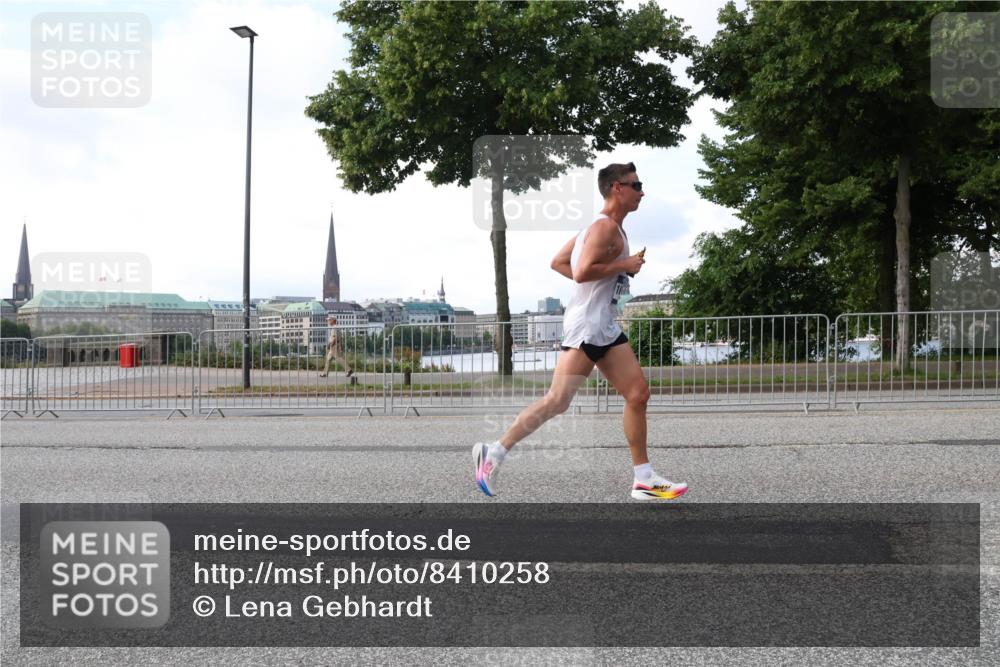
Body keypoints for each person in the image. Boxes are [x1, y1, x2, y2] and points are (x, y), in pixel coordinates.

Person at [473, 162, 688, 501]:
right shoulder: (603, 229)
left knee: (638, 394)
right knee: (557, 401)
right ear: (617, 188)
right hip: (587, 326)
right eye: (636, 185)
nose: (642, 191)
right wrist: (624, 266)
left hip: (603, 323)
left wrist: (608, 275)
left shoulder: (607, 227)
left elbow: (560, 261)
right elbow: (581, 271)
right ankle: (493, 452)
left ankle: (644, 478)